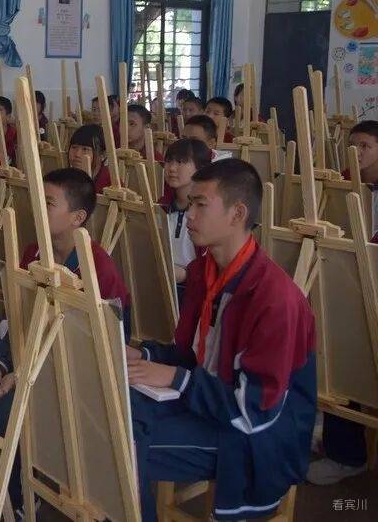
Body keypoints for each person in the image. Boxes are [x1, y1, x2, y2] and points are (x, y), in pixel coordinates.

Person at [126, 159, 316, 522]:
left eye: (201, 204)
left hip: (256, 436)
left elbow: (255, 409)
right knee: (112, 412)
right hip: (212, 404)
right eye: (190, 204)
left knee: (121, 447)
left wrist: (177, 379)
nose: (189, 214)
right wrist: (144, 354)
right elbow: (194, 355)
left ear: (237, 213)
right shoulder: (205, 271)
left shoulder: (274, 299)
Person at [0, 168, 130, 514]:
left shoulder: (98, 269)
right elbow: (21, 318)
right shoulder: (33, 253)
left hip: (74, 365)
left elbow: (103, 348)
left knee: (5, 410)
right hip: (29, 349)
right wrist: (5, 362)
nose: (37, 208)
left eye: (48, 203)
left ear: (78, 217)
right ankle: (1, 473)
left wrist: (21, 372)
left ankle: (17, 494)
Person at [308, 120, 378, 485]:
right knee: (334, 348)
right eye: (353, 145)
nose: (356, 152)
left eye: (365, 146)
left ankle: (347, 452)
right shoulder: (344, 185)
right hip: (350, 284)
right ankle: (344, 450)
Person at [159, 139, 212, 298]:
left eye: (181, 162)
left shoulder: (209, 211)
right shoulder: (161, 206)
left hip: (194, 290)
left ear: (200, 168)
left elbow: (216, 265)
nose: (171, 168)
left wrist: (186, 275)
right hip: (160, 282)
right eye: (169, 161)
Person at [68, 124, 111, 193]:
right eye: (74, 147)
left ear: (103, 155)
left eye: (85, 149)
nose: (77, 154)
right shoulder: (65, 178)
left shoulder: (111, 184)